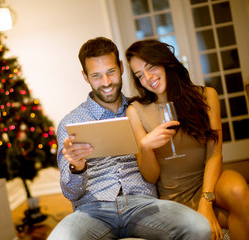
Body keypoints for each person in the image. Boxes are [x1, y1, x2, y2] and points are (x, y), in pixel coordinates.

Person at [47, 37, 211, 240]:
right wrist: (77, 168)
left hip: (143, 204)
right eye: (96, 75)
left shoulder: (141, 109)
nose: (106, 82)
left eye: (111, 72)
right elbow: (70, 193)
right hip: (92, 210)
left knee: (199, 227)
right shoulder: (70, 123)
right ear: (85, 76)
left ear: (122, 68)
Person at [125, 39, 249, 240]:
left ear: (165, 62)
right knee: (239, 216)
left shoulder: (207, 96)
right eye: (140, 75)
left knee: (238, 191)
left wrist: (206, 202)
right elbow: (151, 177)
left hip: (210, 182)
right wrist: (146, 147)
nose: (148, 78)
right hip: (175, 197)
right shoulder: (136, 111)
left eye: (151, 67)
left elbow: (215, 154)